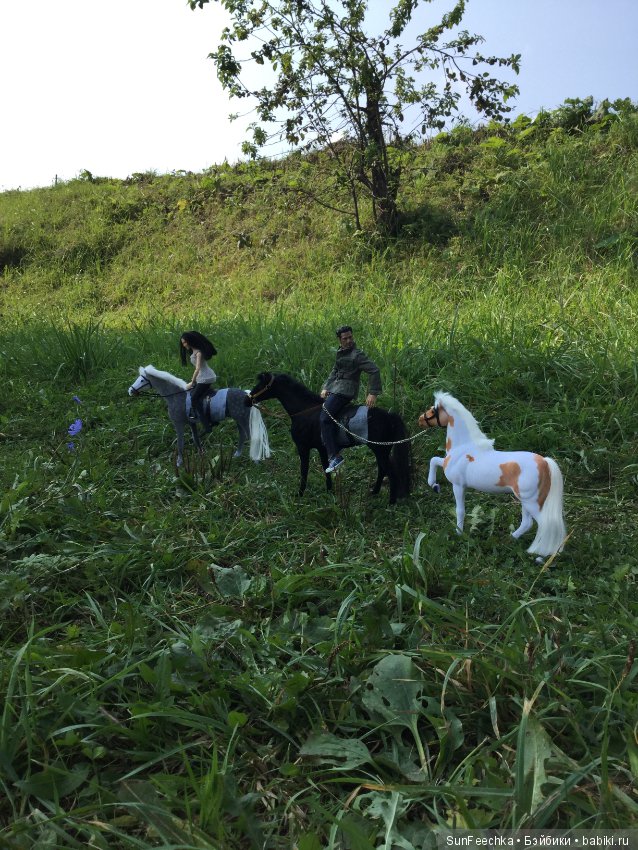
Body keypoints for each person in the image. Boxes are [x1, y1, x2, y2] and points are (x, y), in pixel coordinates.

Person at [320, 325, 382, 473]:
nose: (348, 340)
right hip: (335, 389)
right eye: (345, 338)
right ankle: (336, 441)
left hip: (345, 391)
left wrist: (373, 392)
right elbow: (334, 371)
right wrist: (326, 387)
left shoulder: (357, 355)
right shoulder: (340, 353)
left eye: (350, 337)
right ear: (339, 340)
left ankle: (334, 456)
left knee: (325, 417)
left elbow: (374, 370)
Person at [180, 331, 217, 432]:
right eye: (183, 343)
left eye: (185, 342)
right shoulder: (194, 352)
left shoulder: (198, 353)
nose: (184, 345)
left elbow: (197, 368)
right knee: (196, 394)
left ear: (190, 341)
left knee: (194, 398)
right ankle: (210, 416)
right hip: (202, 377)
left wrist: (192, 382)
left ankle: (206, 425)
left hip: (206, 378)